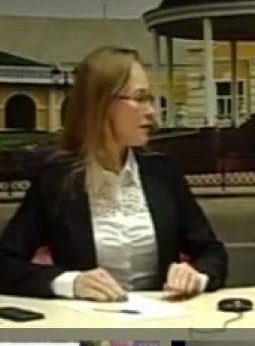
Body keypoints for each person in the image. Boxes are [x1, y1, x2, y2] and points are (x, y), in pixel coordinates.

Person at [0, 46, 228, 300]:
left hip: (163, 319)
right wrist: (70, 283)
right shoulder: (57, 180)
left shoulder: (162, 172)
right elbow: (5, 263)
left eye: (150, 99)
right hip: (87, 321)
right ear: (101, 104)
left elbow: (212, 252)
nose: (151, 111)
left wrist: (196, 275)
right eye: (139, 98)